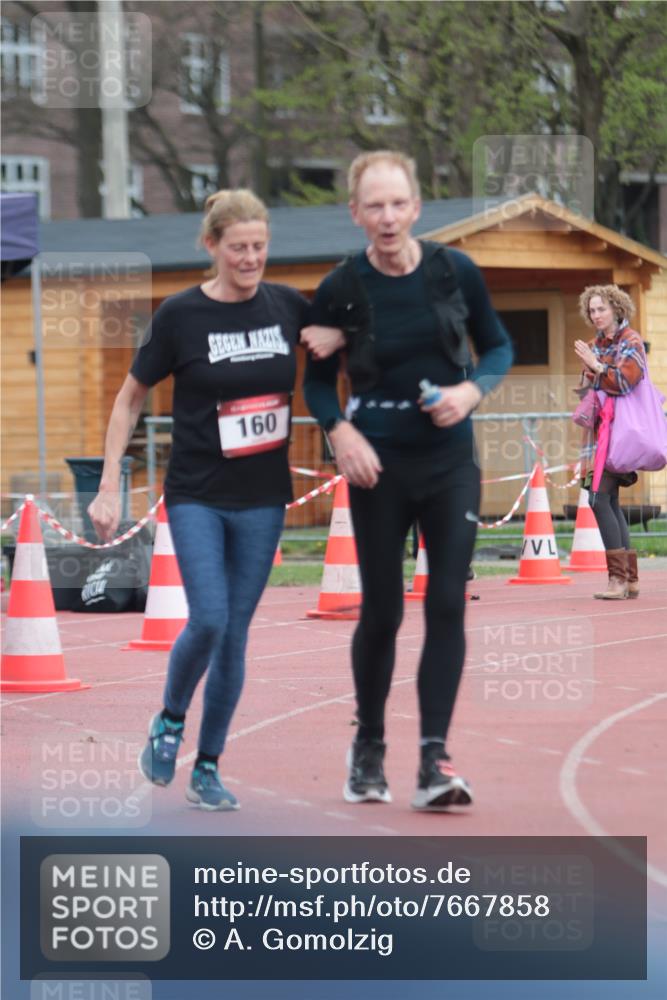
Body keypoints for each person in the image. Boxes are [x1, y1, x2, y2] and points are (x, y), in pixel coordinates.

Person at [89, 189, 340, 811]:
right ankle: (170, 720)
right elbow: (129, 398)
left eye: (259, 247)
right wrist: (108, 483)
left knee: (234, 638)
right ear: (212, 246)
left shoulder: (288, 307)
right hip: (197, 492)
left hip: (262, 497)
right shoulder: (180, 315)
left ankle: (207, 767)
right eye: (238, 248)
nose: (250, 258)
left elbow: (336, 356)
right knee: (208, 619)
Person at [301, 150, 513, 810]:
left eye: (398, 204)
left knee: (446, 601)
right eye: (375, 206)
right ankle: (368, 747)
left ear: (416, 207)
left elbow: (498, 346)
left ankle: (432, 759)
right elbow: (315, 381)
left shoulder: (454, 271)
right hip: (378, 466)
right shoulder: (342, 286)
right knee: (384, 611)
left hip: (448, 461)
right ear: (355, 213)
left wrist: (471, 392)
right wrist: (339, 431)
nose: (388, 217)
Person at [574, 285, 645, 600]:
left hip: (621, 434)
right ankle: (629, 579)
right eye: (591, 310)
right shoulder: (594, 345)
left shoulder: (632, 341)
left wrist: (597, 366)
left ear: (617, 309)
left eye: (601, 308)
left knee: (598, 499)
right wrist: (589, 373)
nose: (596, 315)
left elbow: (625, 382)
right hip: (599, 433)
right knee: (609, 500)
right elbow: (590, 391)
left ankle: (618, 580)